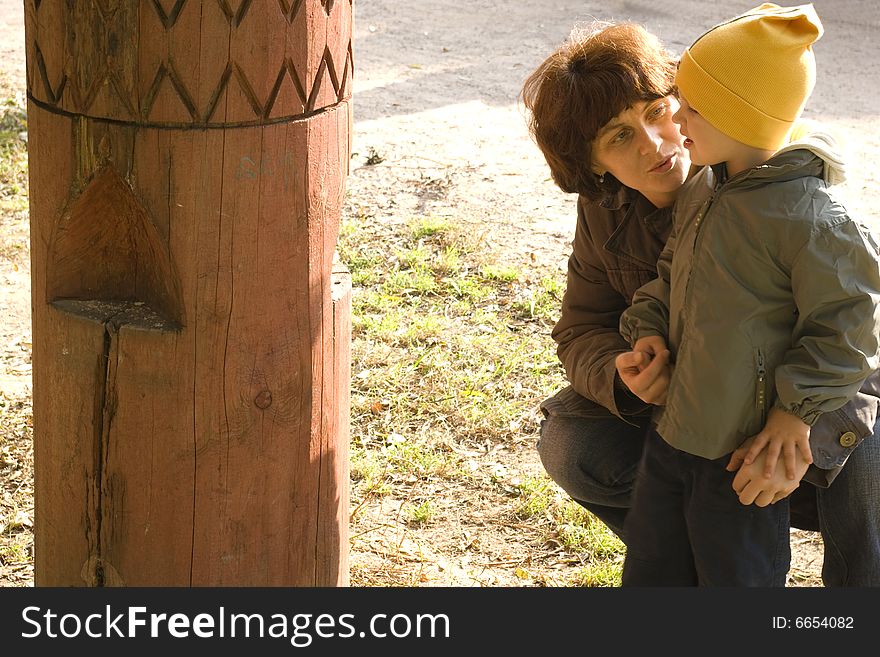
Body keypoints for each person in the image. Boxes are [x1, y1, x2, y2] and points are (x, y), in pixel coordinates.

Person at [521, 13, 880, 585]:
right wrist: (627, 369)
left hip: (799, 408)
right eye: (619, 136)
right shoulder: (606, 210)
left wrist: (793, 425)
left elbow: (850, 334)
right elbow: (582, 326)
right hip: (696, 416)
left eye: (660, 110)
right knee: (572, 442)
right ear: (593, 167)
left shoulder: (777, 194)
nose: (658, 142)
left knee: (867, 453)